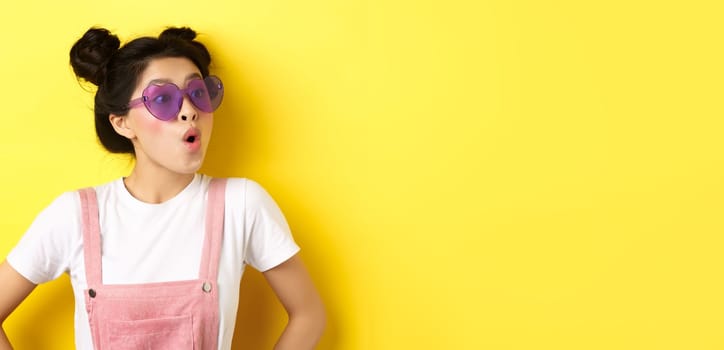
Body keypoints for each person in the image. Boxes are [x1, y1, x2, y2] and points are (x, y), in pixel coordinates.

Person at [0, 27, 325, 349]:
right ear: (122, 122)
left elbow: (309, 315)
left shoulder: (240, 205)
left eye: (198, 93)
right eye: (164, 99)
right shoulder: (75, 215)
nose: (189, 111)